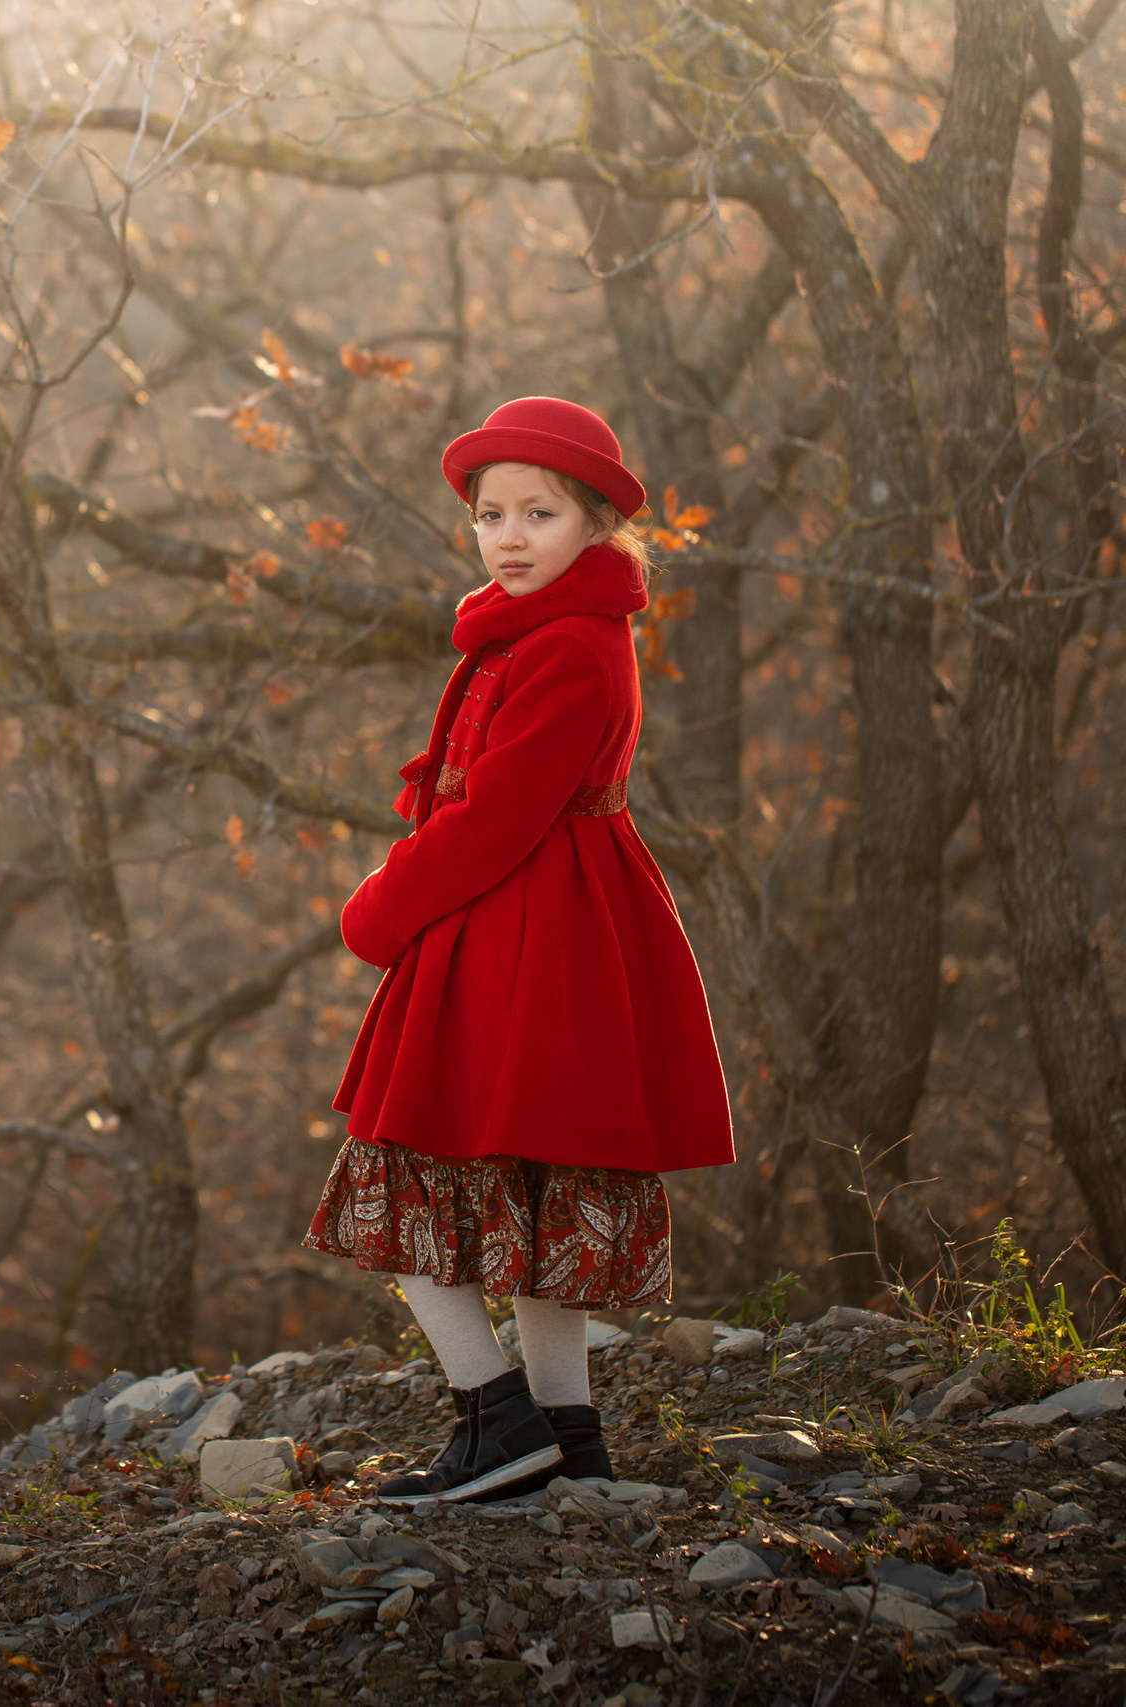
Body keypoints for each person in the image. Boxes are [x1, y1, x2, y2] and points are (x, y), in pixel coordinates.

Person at [302, 396, 735, 1504]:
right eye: (490, 513)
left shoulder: (571, 651)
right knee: (536, 1191)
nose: (507, 535)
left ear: (595, 526)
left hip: (523, 936)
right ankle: (566, 1440)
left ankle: (496, 1422)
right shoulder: (538, 631)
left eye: (538, 513)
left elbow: (495, 820)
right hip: (541, 926)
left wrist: (382, 909)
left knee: (399, 1186)